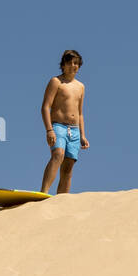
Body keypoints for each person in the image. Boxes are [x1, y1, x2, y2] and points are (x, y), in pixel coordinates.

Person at [40, 49, 89, 194]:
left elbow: (80, 113)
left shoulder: (81, 86)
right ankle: (43, 192)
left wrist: (83, 135)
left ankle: (62, 199)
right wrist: (49, 129)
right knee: (58, 155)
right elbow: (45, 107)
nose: (73, 66)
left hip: (74, 130)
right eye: (69, 63)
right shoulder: (56, 82)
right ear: (63, 65)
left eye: (76, 63)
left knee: (68, 166)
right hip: (58, 127)